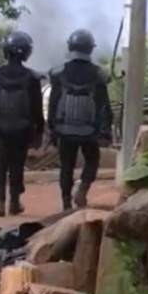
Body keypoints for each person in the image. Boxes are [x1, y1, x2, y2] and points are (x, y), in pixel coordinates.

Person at [0, 31, 44, 217]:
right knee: (17, 165)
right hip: (22, 129)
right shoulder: (32, 79)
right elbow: (37, 109)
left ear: (5, 51)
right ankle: (15, 202)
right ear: (26, 52)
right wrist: (38, 131)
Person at [48, 29, 113, 211]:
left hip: (64, 128)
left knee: (66, 166)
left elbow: (53, 103)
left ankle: (66, 202)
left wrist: (52, 128)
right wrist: (106, 129)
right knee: (92, 160)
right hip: (89, 130)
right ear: (90, 49)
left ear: (70, 46)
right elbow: (104, 105)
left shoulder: (59, 73)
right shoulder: (99, 74)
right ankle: (83, 189)